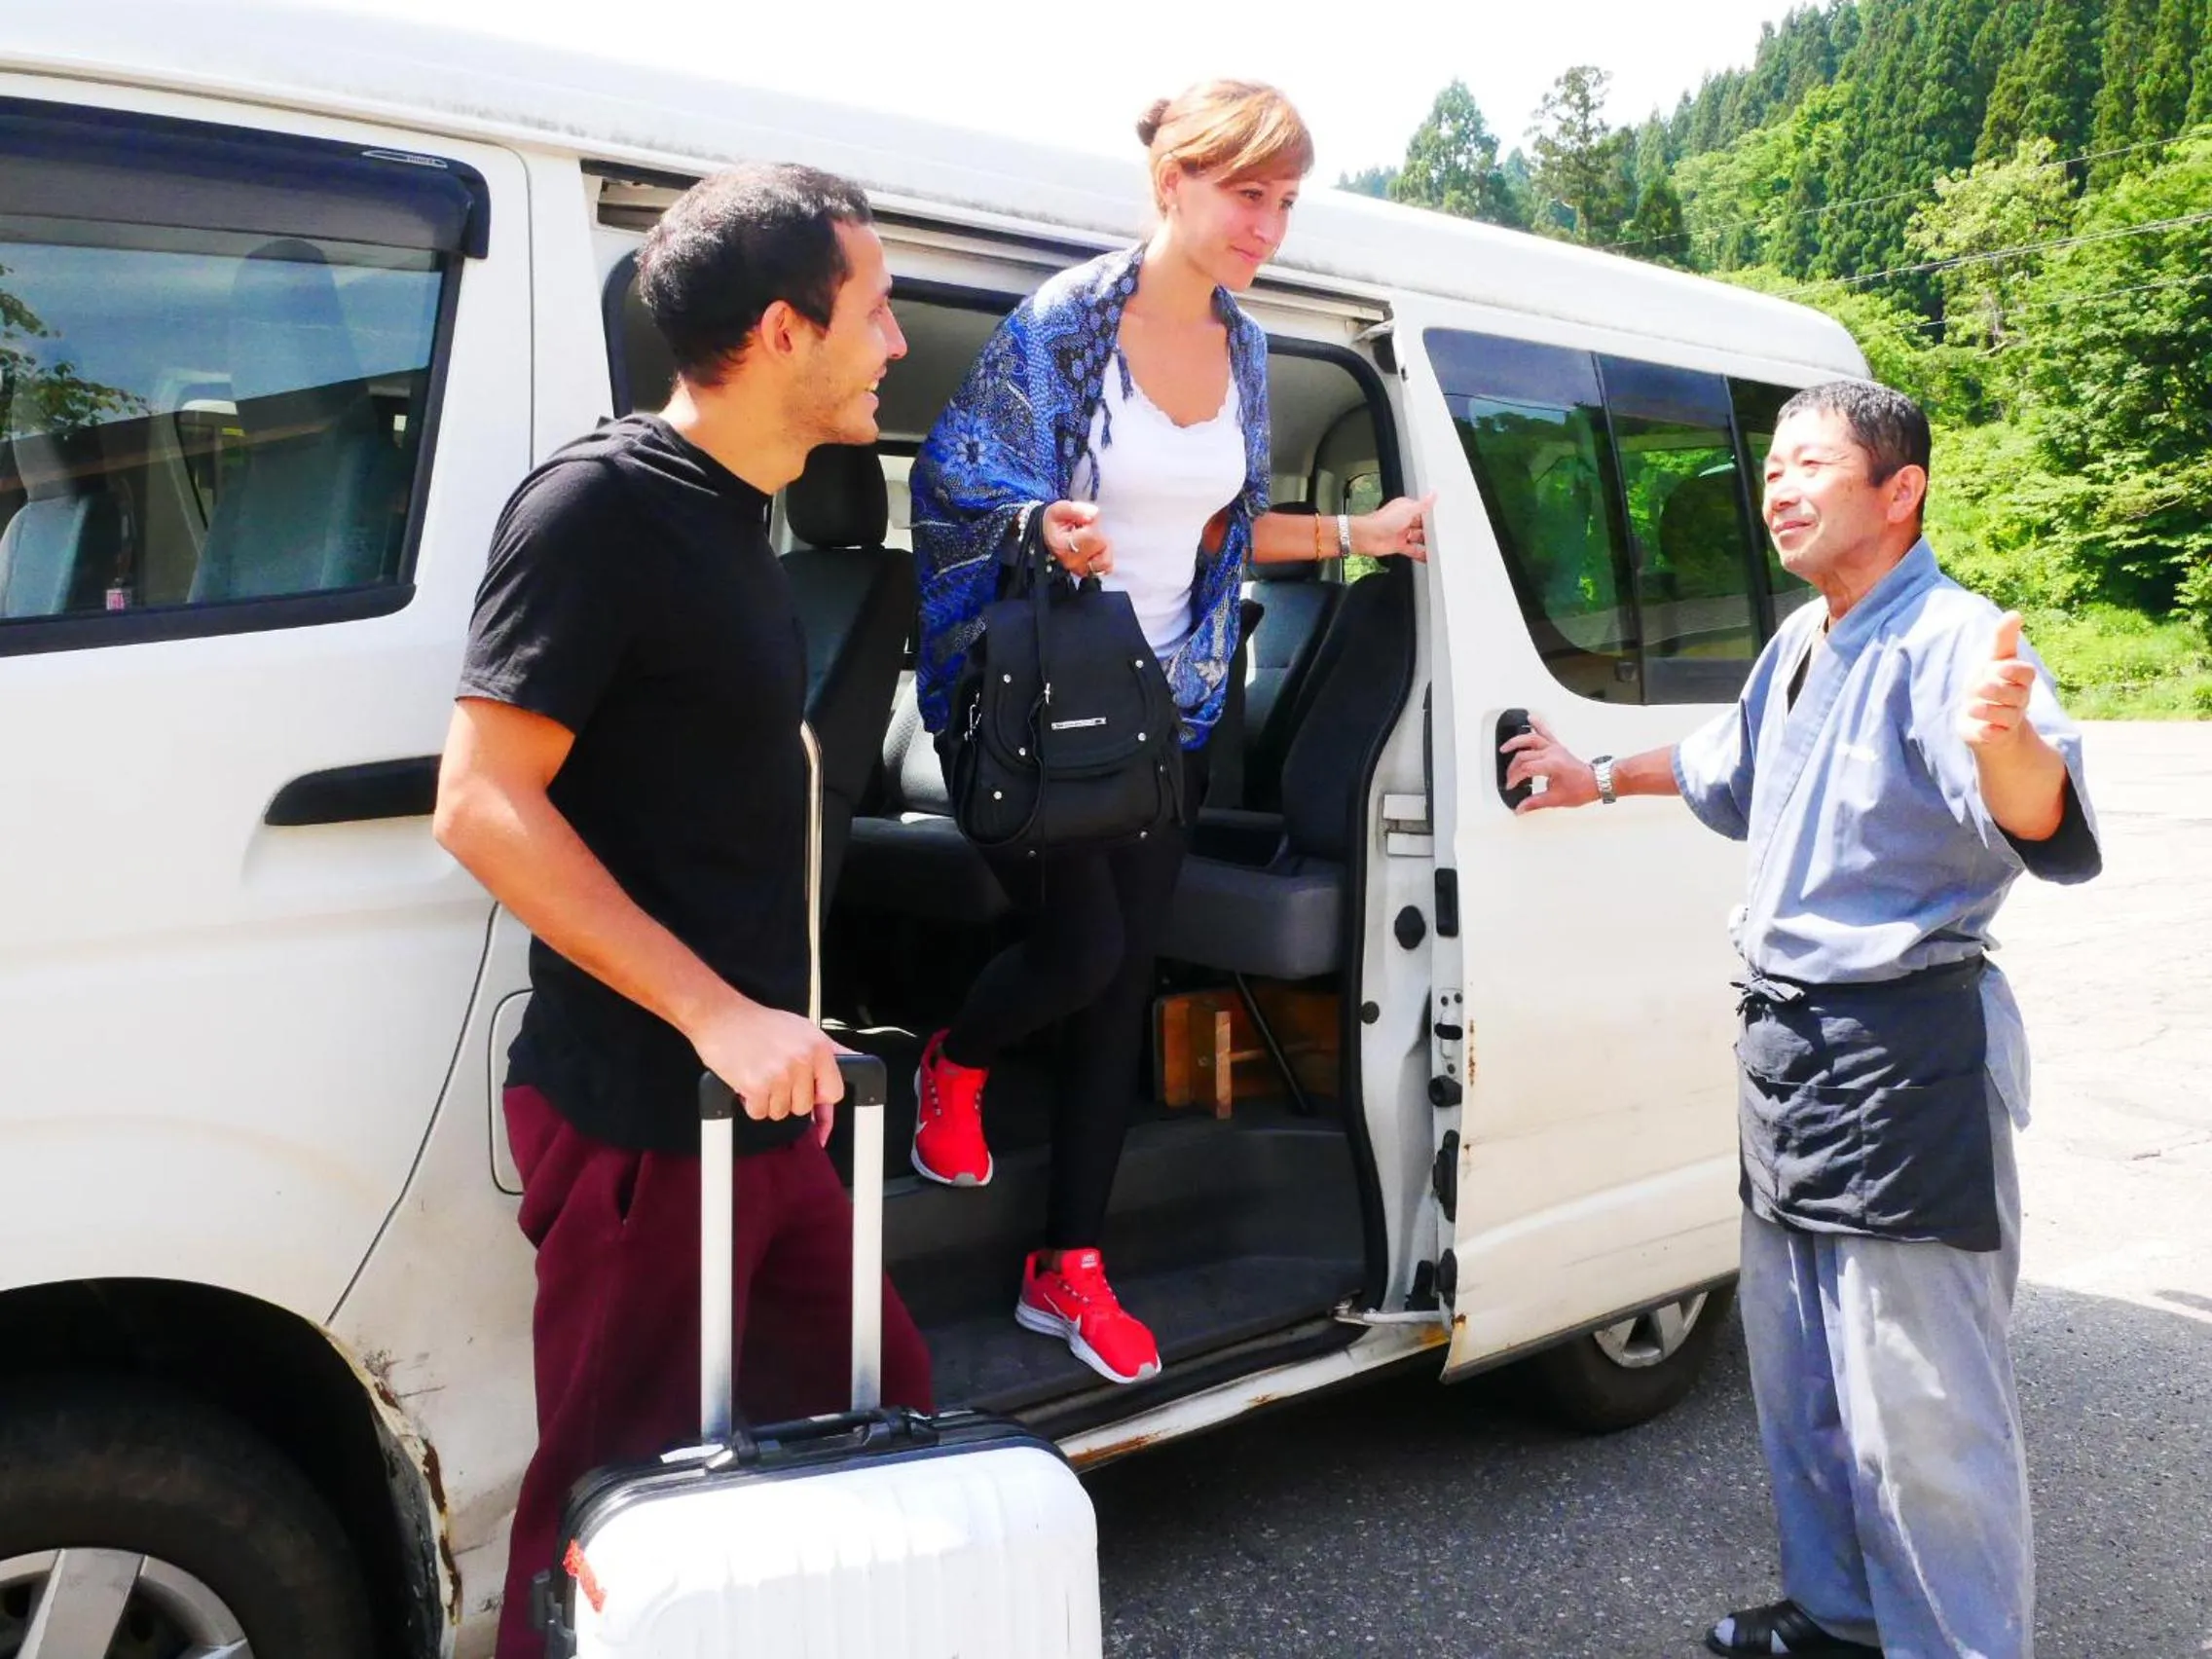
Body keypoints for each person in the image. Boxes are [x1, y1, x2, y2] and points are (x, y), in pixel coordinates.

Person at [1504, 381, 2100, 1659]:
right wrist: (1588, 775)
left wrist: (2010, 747)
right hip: (1786, 1052)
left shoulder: (1954, 638)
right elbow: (1723, 763)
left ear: (1901, 492)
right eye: (1772, 466)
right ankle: (1837, 1618)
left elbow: (2035, 809)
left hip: (1902, 1058)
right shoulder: (1802, 642)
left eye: (1811, 464)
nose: (1777, 486)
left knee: (1923, 1415)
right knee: (1807, 1385)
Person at [434, 164, 935, 1658]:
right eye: (879, 306)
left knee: (877, 1435)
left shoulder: (742, 521)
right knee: (612, 1528)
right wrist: (715, 1012)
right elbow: (481, 799)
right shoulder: (599, 505)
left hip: (760, 1122)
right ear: (785, 331)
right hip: (651, 1127)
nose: (897, 342)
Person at [906, 80, 1432, 1386]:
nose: (1268, 222)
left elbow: (1224, 531)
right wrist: (1042, 529)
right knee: (1080, 948)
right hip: (1042, 706)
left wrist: (1361, 536)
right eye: (1246, 193)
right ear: (1172, 185)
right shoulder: (1067, 327)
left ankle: (1068, 1268)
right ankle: (952, 1059)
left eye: (1285, 200)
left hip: (1169, 712)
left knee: (1121, 983)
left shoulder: (1248, 350)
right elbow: (956, 479)